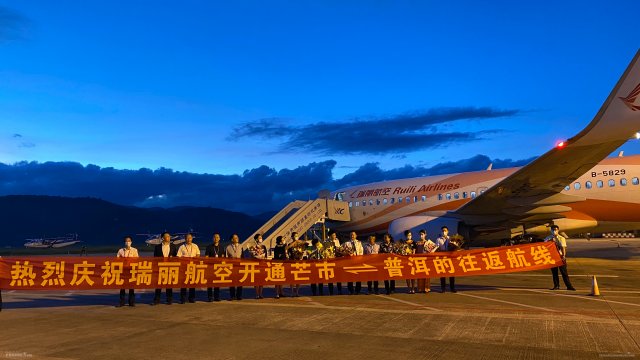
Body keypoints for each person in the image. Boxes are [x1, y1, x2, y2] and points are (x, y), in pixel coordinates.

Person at [545, 225, 576, 291]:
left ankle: (569, 286)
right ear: (550, 230)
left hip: (560, 256)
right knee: (554, 273)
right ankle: (556, 285)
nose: (554, 231)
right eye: (553, 230)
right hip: (552, 257)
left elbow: (563, 247)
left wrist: (564, 256)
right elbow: (544, 245)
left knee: (564, 272)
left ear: (558, 230)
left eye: (555, 230)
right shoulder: (548, 238)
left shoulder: (561, 238)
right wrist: (550, 240)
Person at [152, 232, 178, 305]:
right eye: (167, 236)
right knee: (159, 285)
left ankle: (169, 300)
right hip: (160, 268)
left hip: (169, 268)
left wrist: (173, 258)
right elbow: (155, 258)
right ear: (163, 238)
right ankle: (157, 300)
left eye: (169, 236)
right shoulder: (157, 247)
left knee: (169, 285)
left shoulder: (173, 246)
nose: (169, 238)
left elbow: (176, 257)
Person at [177, 233, 201, 303]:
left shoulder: (195, 246)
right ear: (185, 239)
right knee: (183, 283)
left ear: (192, 238)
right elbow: (178, 256)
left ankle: (192, 298)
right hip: (184, 267)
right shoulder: (181, 247)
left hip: (192, 267)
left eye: (190, 238)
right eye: (187, 238)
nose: (189, 239)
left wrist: (195, 258)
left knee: (192, 283)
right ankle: (183, 298)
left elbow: (198, 254)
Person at [116, 235, 139, 307]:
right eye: (126, 241)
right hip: (123, 270)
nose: (127, 242)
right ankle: (121, 302)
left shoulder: (134, 250)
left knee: (131, 287)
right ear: (124, 242)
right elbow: (117, 260)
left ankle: (131, 302)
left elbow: (137, 260)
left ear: (131, 242)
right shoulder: (120, 250)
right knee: (122, 287)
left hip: (131, 270)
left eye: (129, 241)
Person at [436, 226, 456, 293]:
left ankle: (452, 288)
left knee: (451, 273)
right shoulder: (438, 239)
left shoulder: (451, 238)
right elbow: (436, 248)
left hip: (450, 258)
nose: (444, 232)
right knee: (442, 274)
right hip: (442, 258)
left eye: (445, 231)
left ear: (448, 231)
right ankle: (443, 288)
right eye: (442, 231)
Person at [205, 233, 224, 302]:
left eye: (217, 237)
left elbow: (223, 257)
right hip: (210, 267)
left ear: (219, 238)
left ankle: (217, 297)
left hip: (218, 267)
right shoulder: (209, 247)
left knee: (217, 283)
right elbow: (206, 257)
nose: (216, 238)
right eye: (215, 237)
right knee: (209, 283)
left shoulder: (221, 247)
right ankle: (210, 297)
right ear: (213, 238)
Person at [286, 232, 306, 297]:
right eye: (295, 236)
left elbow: (304, 248)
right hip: (292, 262)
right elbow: (287, 250)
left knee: (298, 278)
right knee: (292, 278)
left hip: (299, 262)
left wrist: (301, 253)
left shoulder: (300, 244)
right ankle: (292, 291)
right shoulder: (290, 244)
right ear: (292, 237)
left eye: (297, 236)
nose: (296, 237)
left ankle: (297, 292)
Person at [225, 233, 244, 300]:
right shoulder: (228, 247)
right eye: (235, 238)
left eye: (237, 237)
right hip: (231, 266)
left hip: (239, 266)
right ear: (232, 239)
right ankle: (232, 296)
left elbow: (243, 257)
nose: (237, 239)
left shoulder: (241, 246)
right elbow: (226, 257)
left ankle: (239, 295)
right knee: (232, 281)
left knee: (240, 281)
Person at [250, 233, 267, 299]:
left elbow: (266, 255)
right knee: (256, 280)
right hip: (256, 265)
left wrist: (263, 257)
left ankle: (261, 293)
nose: (261, 239)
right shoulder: (253, 247)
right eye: (259, 238)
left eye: (261, 237)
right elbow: (252, 255)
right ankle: (257, 294)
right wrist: (256, 256)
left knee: (262, 280)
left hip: (262, 264)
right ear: (256, 239)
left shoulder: (263, 246)